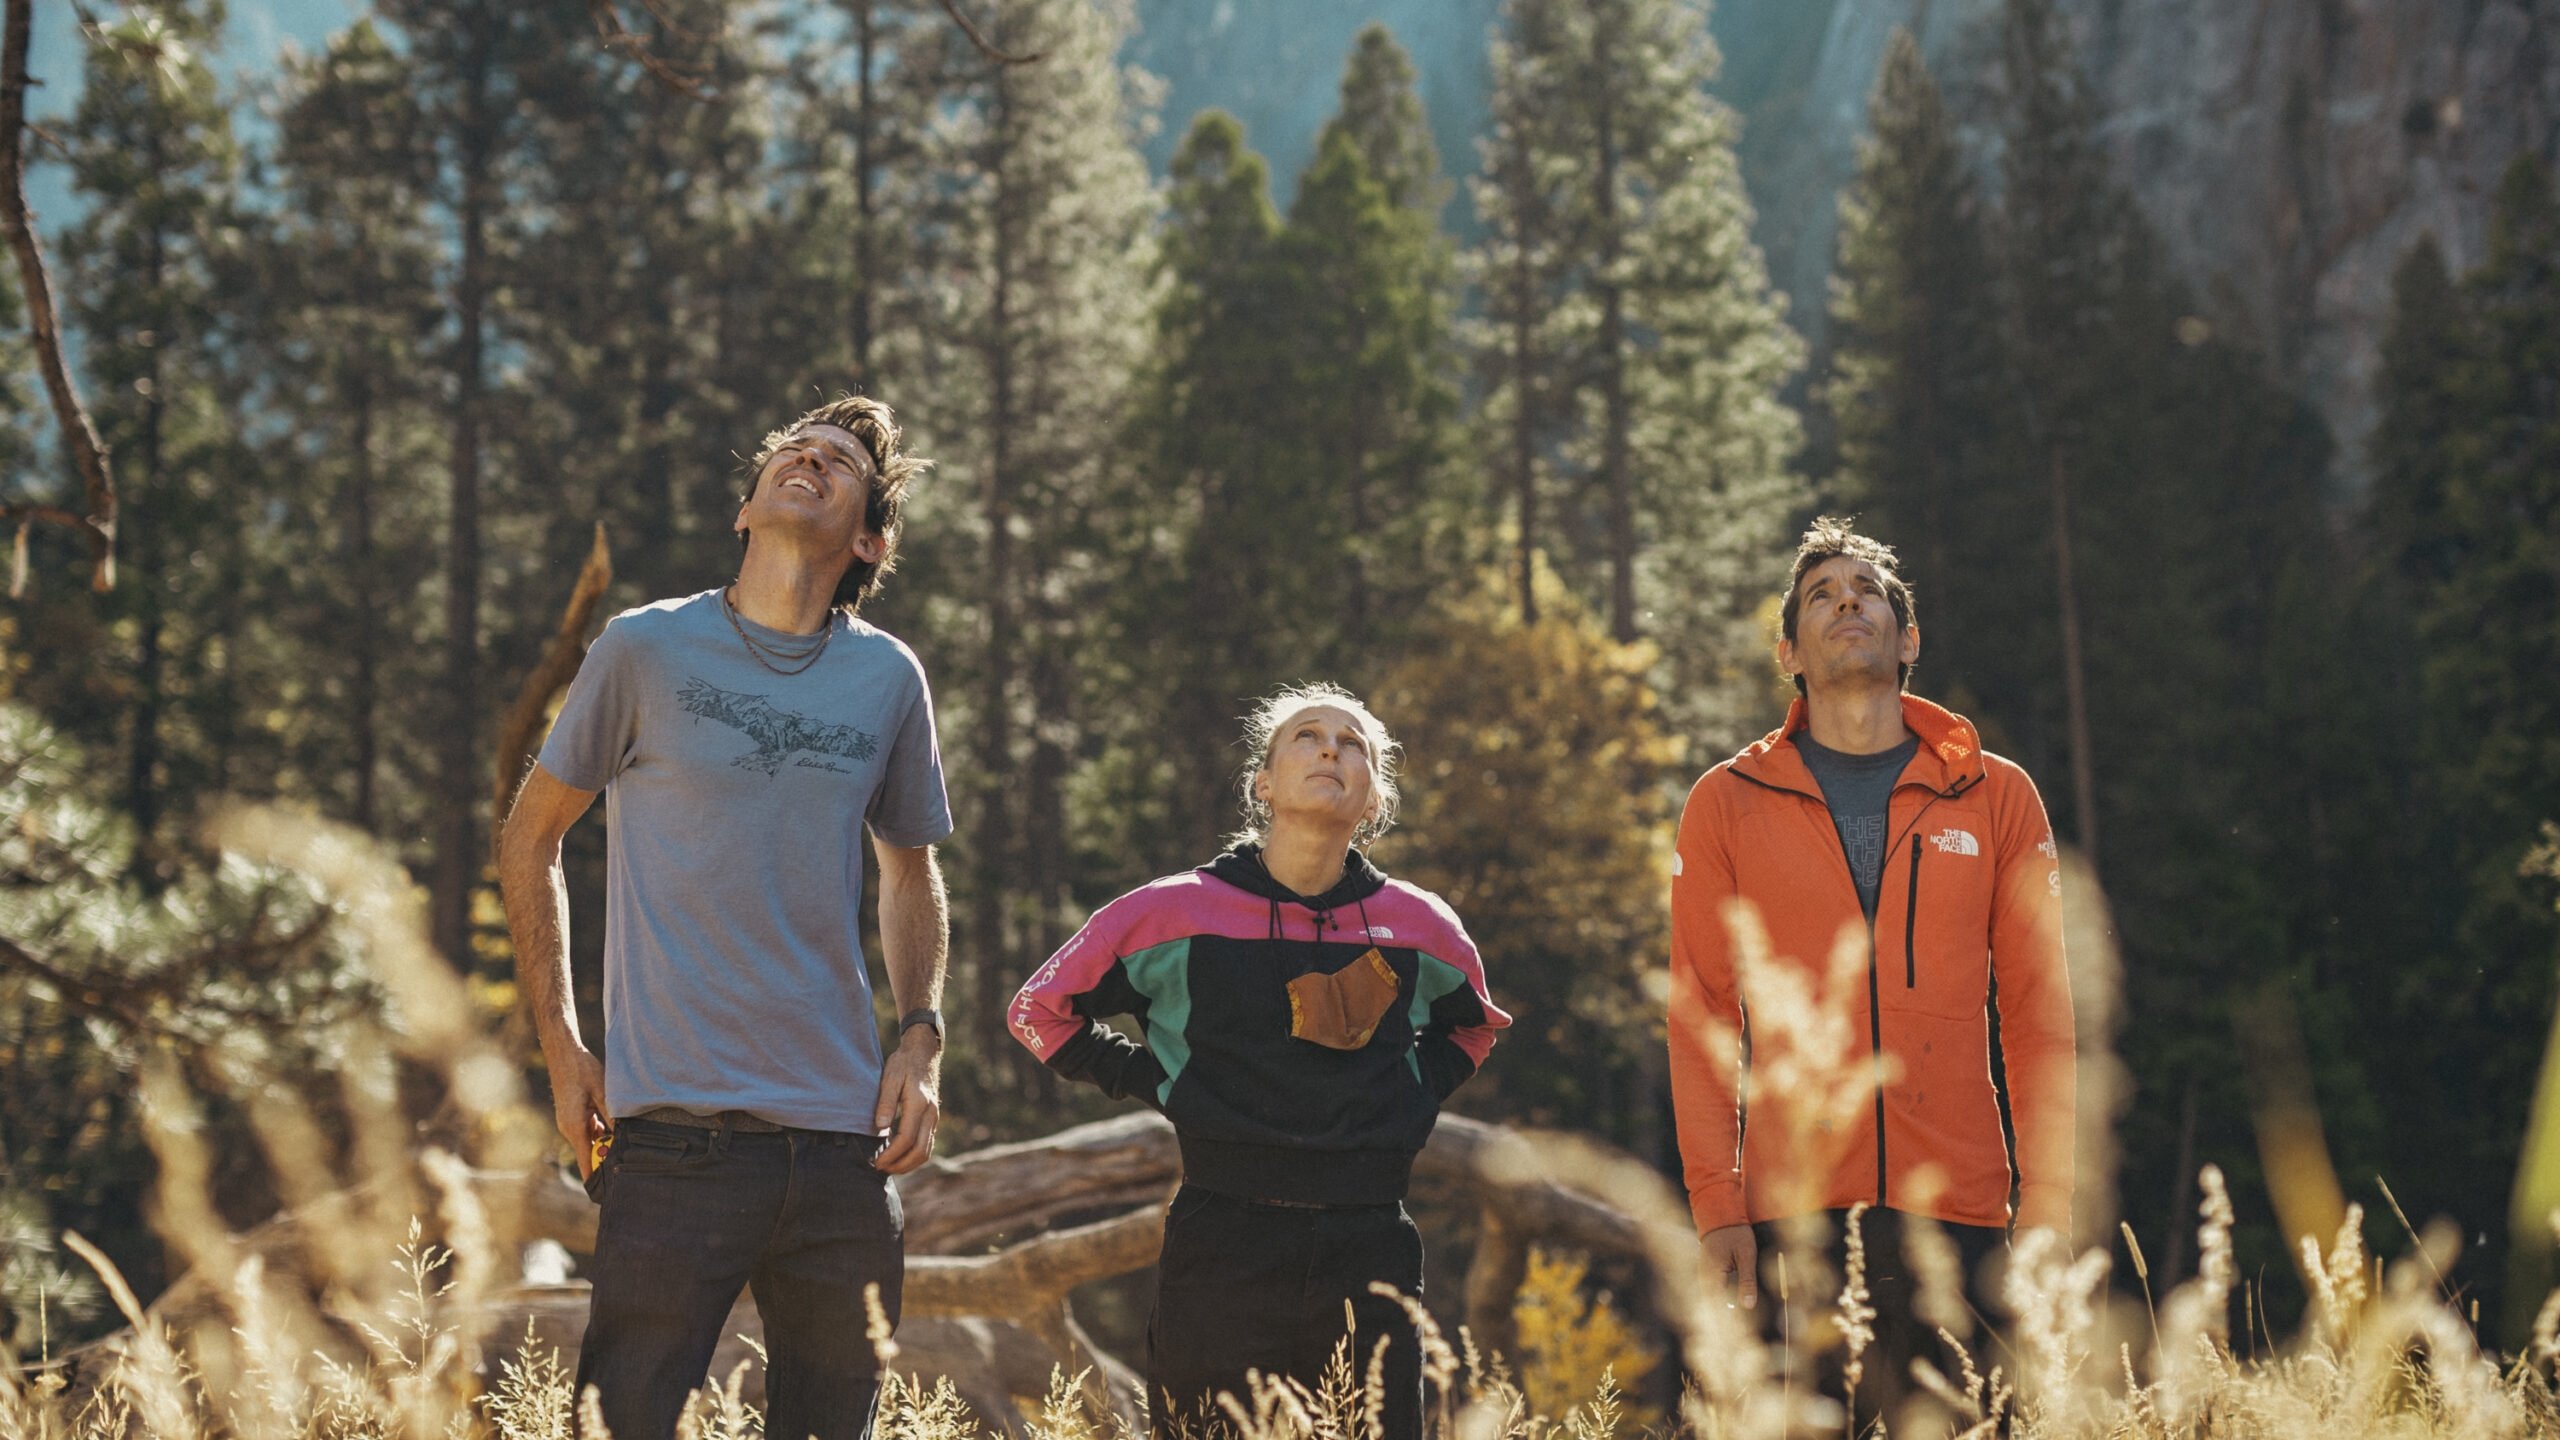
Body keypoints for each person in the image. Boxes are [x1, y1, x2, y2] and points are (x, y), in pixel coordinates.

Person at [498, 394, 953, 1440]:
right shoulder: (643, 649)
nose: (807, 459)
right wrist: (563, 1046)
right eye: (792, 451)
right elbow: (531, 837)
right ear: (745, 511)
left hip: (844, 1150)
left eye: (837, 462)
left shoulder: (887, 678)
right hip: (672, 1142)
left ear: (868, 537)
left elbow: (910, 874)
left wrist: (919, 1038)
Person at [1008, 684, 1509, 1440]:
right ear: (1263, 785)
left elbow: (1474, 1030)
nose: (1332, 749)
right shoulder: (1171, 910)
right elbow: (1036, 1011)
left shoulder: (1422, 925)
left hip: (1370, 1241)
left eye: (1356, 746)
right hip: (1223, 1240)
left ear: (1374, 800)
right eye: (1307, 736)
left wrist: (1408, 1094)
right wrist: (1157, 1081)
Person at [1667, 517, 2074, 1420]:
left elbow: (2040, 1015)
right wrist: (1716, 1202)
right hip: (1793, 1211)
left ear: (1909, 639)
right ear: (1789, 655)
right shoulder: (1726, 802)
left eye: (1867, 593)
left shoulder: (1996, 794)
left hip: (1963, 1215)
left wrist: (2046, 1200)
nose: (1846, 602)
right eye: (1822, 595)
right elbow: (1699, 1012)